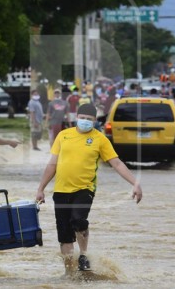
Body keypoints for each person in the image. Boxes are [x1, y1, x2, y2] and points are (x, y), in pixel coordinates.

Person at [35, 103, 143, 273]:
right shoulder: (63, 136)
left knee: (78, 220)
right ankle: (69, 274)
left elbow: (116, 163)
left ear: (95, 121)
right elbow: (52, 164)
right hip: (61, 190)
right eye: (82, 118)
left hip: (84, 189)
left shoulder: (100, 139)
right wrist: (41, 188)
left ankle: (84, 255)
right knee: (64, 235)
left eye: (89, 119)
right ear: (76, 117)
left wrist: (135, 183)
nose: (85, 121)